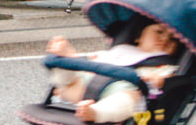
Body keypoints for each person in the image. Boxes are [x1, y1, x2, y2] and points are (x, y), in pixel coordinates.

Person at [45, 24, 179, 122]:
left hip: (120, 88)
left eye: (173, 39)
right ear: (138, 37)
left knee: (129, 98)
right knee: (70, 76)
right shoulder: (121, 49)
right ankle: (67, 60)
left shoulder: (165, 64)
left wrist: (157, 78)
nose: (165, 39)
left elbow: (168, 79)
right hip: (87, 83)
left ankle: (96, 112)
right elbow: (97, 61)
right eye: (159, 32)